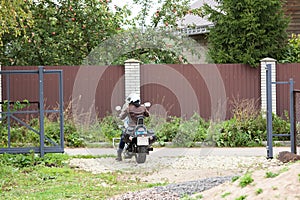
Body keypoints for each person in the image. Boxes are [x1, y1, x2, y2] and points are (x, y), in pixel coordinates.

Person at [115, 93, 150, 161]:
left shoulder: (128, 108)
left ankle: (119, 155)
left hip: (131, 128)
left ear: (131, 101)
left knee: (123, 137)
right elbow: (148, 115)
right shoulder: (143, 107)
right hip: (141, 127)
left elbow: (122, 117)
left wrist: (119, 117)